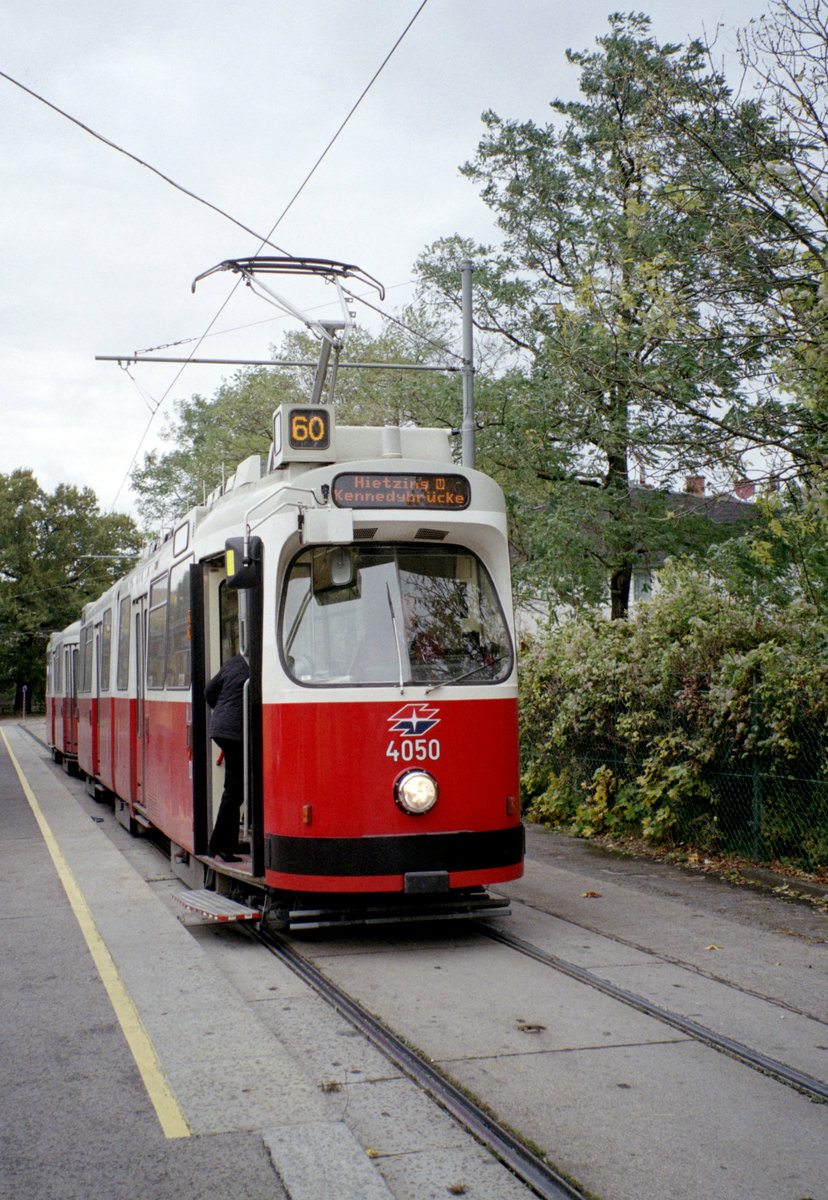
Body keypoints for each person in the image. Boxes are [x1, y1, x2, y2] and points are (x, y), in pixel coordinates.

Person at [204, 652, 249, 861]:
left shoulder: (233, 662)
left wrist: (221, 711)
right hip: (235, 732)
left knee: (235, 788)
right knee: (234, 790)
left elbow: (209, 691)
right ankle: (220, 845)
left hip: (221, 727)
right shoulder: (256, 668)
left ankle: (226, 843)